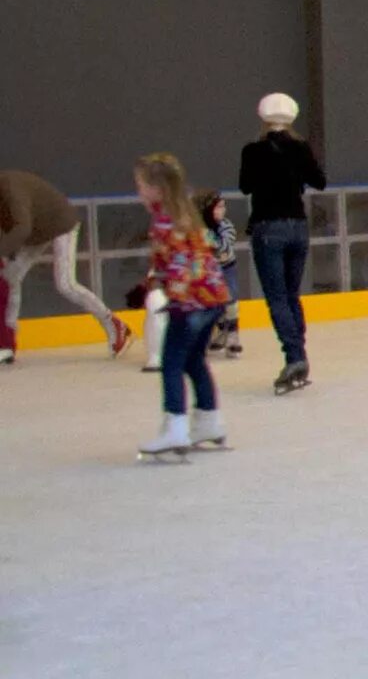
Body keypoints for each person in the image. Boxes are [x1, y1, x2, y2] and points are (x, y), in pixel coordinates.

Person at [131, 152, 233, 460]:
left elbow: (174, 266)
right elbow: (209, 251)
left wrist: (171, 296)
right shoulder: (188, 215)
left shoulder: (165, 222)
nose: (138, 192)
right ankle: (209, 422)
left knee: (172, 363)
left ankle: (174, 428)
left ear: (157, 189)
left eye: (141, 186)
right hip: (214, 297)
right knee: (194, 361)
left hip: (190, 303)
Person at [239, 92, 325, 394]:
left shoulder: (253, 151)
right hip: (297, 226)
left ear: (263, 118)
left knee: (277, 298)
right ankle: (298, 354)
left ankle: (295, 356)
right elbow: (320, 181)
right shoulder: (300, 148)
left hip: (268, 228)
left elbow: (245, 185)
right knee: (291, 295)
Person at [0, 168, 129, 363]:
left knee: (65, 283)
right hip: (37, 231)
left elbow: (22, 227)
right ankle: (7, 343)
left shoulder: (11, 188)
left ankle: (113, 324)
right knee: (10, 278)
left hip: (62, 224)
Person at [197, 183, 245, 358]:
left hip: (226, 268)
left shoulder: (226, 226)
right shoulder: (199, 227)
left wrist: (207, 239)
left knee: (230, 300)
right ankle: (221, 331)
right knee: (210, 304)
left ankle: (233, 335)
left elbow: (223, 246)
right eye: (219, 207)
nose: (222, 210)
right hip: (207, 271)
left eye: (224, 206)